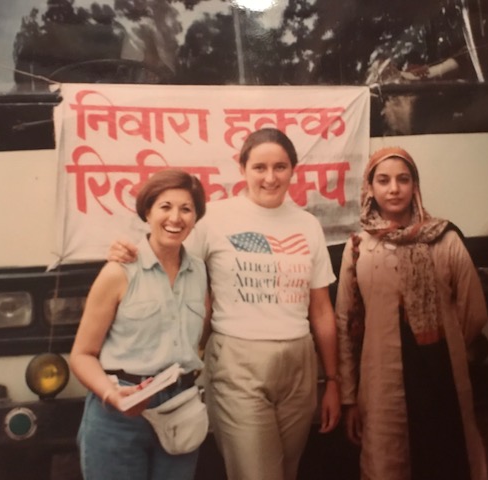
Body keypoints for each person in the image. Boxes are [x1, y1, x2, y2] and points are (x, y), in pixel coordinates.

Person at [110, 128, 341, 480]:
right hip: (237, 364)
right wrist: (126, 253)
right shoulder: (214, 219)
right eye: (259, 167)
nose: (270, 177)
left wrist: (334, 381)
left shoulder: (308, 225)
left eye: (280, 167)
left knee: (288, 472)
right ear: (242, 168)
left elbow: (321, 310)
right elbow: (166, 256)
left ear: (293, 170)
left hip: (299, 366)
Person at [335, 147, 488, 480]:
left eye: (403, 179)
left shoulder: (445, 240)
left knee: (448, 459)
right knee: (389, 463)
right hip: (382, 381)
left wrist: (446, 346)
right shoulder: (359, 247)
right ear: (370, 188)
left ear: (414, 185)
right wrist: (348, 399)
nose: (394, 188)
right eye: (384, 180)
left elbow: (472, 312)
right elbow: (345, 325)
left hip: (441, 373)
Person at [70, 169, 210, 480]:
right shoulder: (118, 272)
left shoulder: (199, 272)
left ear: (196, 218)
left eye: (186, 209)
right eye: (165, 207)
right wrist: (113, 396)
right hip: (119, 416)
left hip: (180, 410)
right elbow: (82, 355)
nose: (175, 218)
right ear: (147, 211)